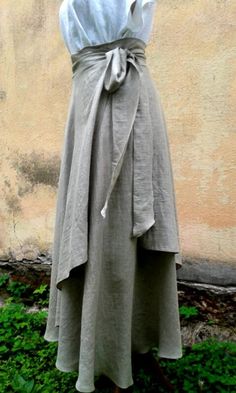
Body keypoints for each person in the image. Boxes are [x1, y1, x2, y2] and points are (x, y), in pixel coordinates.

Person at [44, 1, 183, 392]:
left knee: (124, 231)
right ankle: (103, 350)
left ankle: (131, 341)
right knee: (104, 231)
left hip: (130, 102)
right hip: (96, 105)